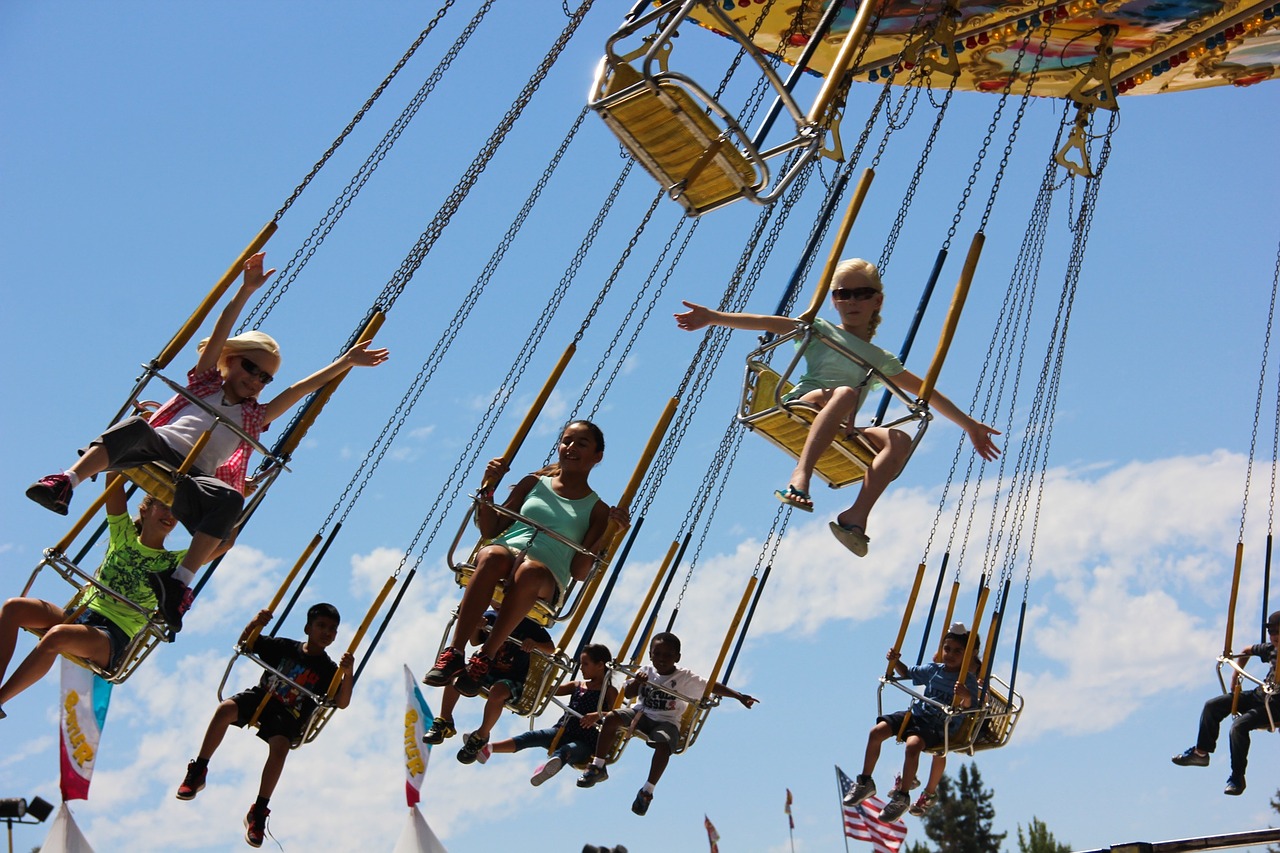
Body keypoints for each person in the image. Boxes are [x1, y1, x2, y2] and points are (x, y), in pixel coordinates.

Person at [26, 252, 390, 631]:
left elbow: (300, 390)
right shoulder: (204, 382)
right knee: (134, 426)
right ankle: (66, 482)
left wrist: (346, 362)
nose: (256, 380)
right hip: (159, 449)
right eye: (251, 367)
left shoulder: (254, 416)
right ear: (230, 361)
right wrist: (245, 291)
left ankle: (178, 583)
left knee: (231, 500)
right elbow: (220, 331)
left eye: (265, 378)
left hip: (194, 477)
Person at [674, 258, 1000, 557]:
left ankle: (855, 517)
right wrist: (714, 318)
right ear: (834, 300)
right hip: (804, 403)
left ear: (878, 301)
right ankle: (800, 476)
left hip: (842, 422)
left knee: (899, 438)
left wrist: (969, 425)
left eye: (862, 293)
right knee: (845, 394)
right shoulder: (820, 330)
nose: (853, 302)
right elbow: (767, 322)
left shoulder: (881, 359)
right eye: (844, 294)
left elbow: (927, 393)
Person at [423, 420, 628, 695]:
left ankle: (486, 656)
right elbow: (491, 529)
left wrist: (608, 537)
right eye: (567, 441)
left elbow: (580, 571)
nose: (571, 448)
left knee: (529, 572)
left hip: (546, 575)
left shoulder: (598, 510)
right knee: (492, 554)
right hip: (507, 551)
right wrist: (489, 487)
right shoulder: (533, 482)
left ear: (597, 456)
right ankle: (454, 653)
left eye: (581, 444)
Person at [0, 477, 217, 718]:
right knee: (13, 608)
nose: (170, 515)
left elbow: (222, 541)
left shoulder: (176, 562)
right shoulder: (122, 534)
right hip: (80, 614)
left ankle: (1, 699)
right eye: (165, 505)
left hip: (112, 635)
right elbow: (113, 477)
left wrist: (230, 501)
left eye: (177, 512)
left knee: (57, 637)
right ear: (144, 509)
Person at [175, 604, 354, 848]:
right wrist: (255, 622)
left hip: (289, 714)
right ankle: (198, 770)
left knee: (280, 747)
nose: (327, 632)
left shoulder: (329, 671)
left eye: (332, 629)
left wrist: (348, 671)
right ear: (308, 628)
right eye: (321, 626)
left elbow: (342, 702)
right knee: (225, 709)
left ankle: (258, 811)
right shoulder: (284, 647)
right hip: (263, 697)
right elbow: (246, 643)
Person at [575, 632, 757, 816]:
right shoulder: (646, 671)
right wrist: (638, 681)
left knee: (664, 744)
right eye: (657, 654)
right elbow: (629, 694)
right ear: (650, 655)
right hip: (641, 714)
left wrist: (738, 696)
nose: (662, 659)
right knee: (612, 717)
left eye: (668, 655)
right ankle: (598, 766)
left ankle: (647, 791)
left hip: (666, 721)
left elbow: (710, 687)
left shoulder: (684, 678)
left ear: (677, 657)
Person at [843, 624, 980, 822]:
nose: (950, 654)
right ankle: (865, 782)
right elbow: (908, 673)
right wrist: (896, 661)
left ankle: (902, 797)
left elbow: (970, 707)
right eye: (947, 649)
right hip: (916, 715)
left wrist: (965, 695)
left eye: (958, 651)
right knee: (876, 732)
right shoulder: (934, 670)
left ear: (967, 655)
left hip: (937, 725)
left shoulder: (967, 680)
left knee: (913, 746)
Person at [461, 643, 618, 786]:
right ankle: (488, 748)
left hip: (585, 740)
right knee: (531, 737)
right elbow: (550, 690)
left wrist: (598, 715)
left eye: (585, 664)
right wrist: (539, 678)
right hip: (562, 730)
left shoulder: (609, 691)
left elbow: (616, 715)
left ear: (600, 666)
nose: (581, 668)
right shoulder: (577, 685)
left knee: (566, 751)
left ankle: (548, 767)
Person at [420, 610, 554, 763]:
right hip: (484, 670)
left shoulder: (529, 624)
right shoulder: (491, 617)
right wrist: (478, 627)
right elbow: (475, 641)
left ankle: (481, 735)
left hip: (511, 678)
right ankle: (445, 720)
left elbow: (551, 648)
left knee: (497, 692)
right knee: (455, 672)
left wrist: (535, 644)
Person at [1171, 610, 1280, 796]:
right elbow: (1246, 650)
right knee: (1212, 705)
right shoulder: (1271, 649)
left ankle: (1237, 777)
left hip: (1277, 705)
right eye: (1272, 631)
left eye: (1279, 631)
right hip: (1261, 695)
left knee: (1238, 727)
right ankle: (1201, 753)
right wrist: (1236, 674)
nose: (1275, 636)